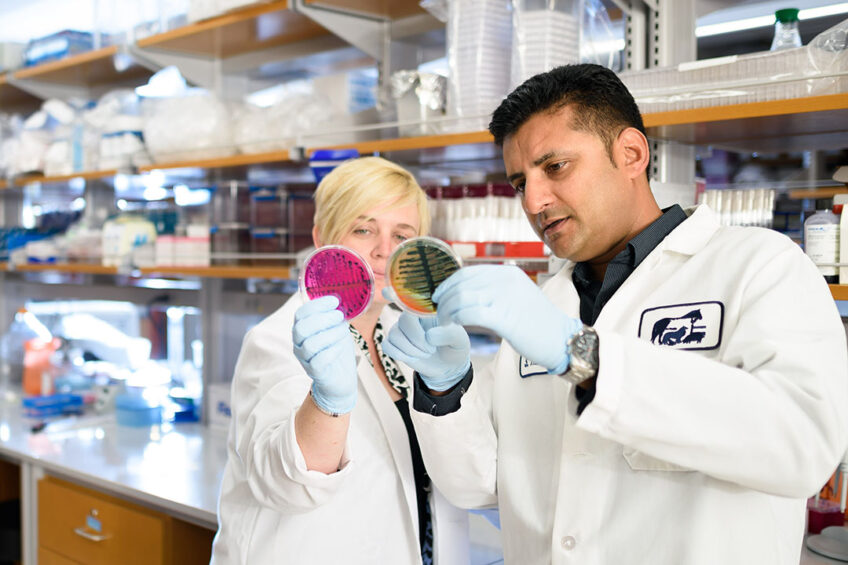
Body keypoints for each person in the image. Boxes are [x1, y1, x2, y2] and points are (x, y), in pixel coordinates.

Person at [382, 63, 848, 564]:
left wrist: (584, 359)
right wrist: (445, 389)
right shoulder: (545, 303)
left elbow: (802, 447)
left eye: (555, 166)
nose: (535, 200)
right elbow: (480, 486)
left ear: (631, 154)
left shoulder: (760, 267)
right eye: (520, 182)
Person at [211, 156, 470, 564]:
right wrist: (326, 400)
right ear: (321, 237)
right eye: (363, 229)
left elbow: (458, 476)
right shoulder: (276, 341)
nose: (384, 251)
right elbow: (287, 483)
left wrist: (447, 388)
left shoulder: (412, 336)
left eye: (403, 234)